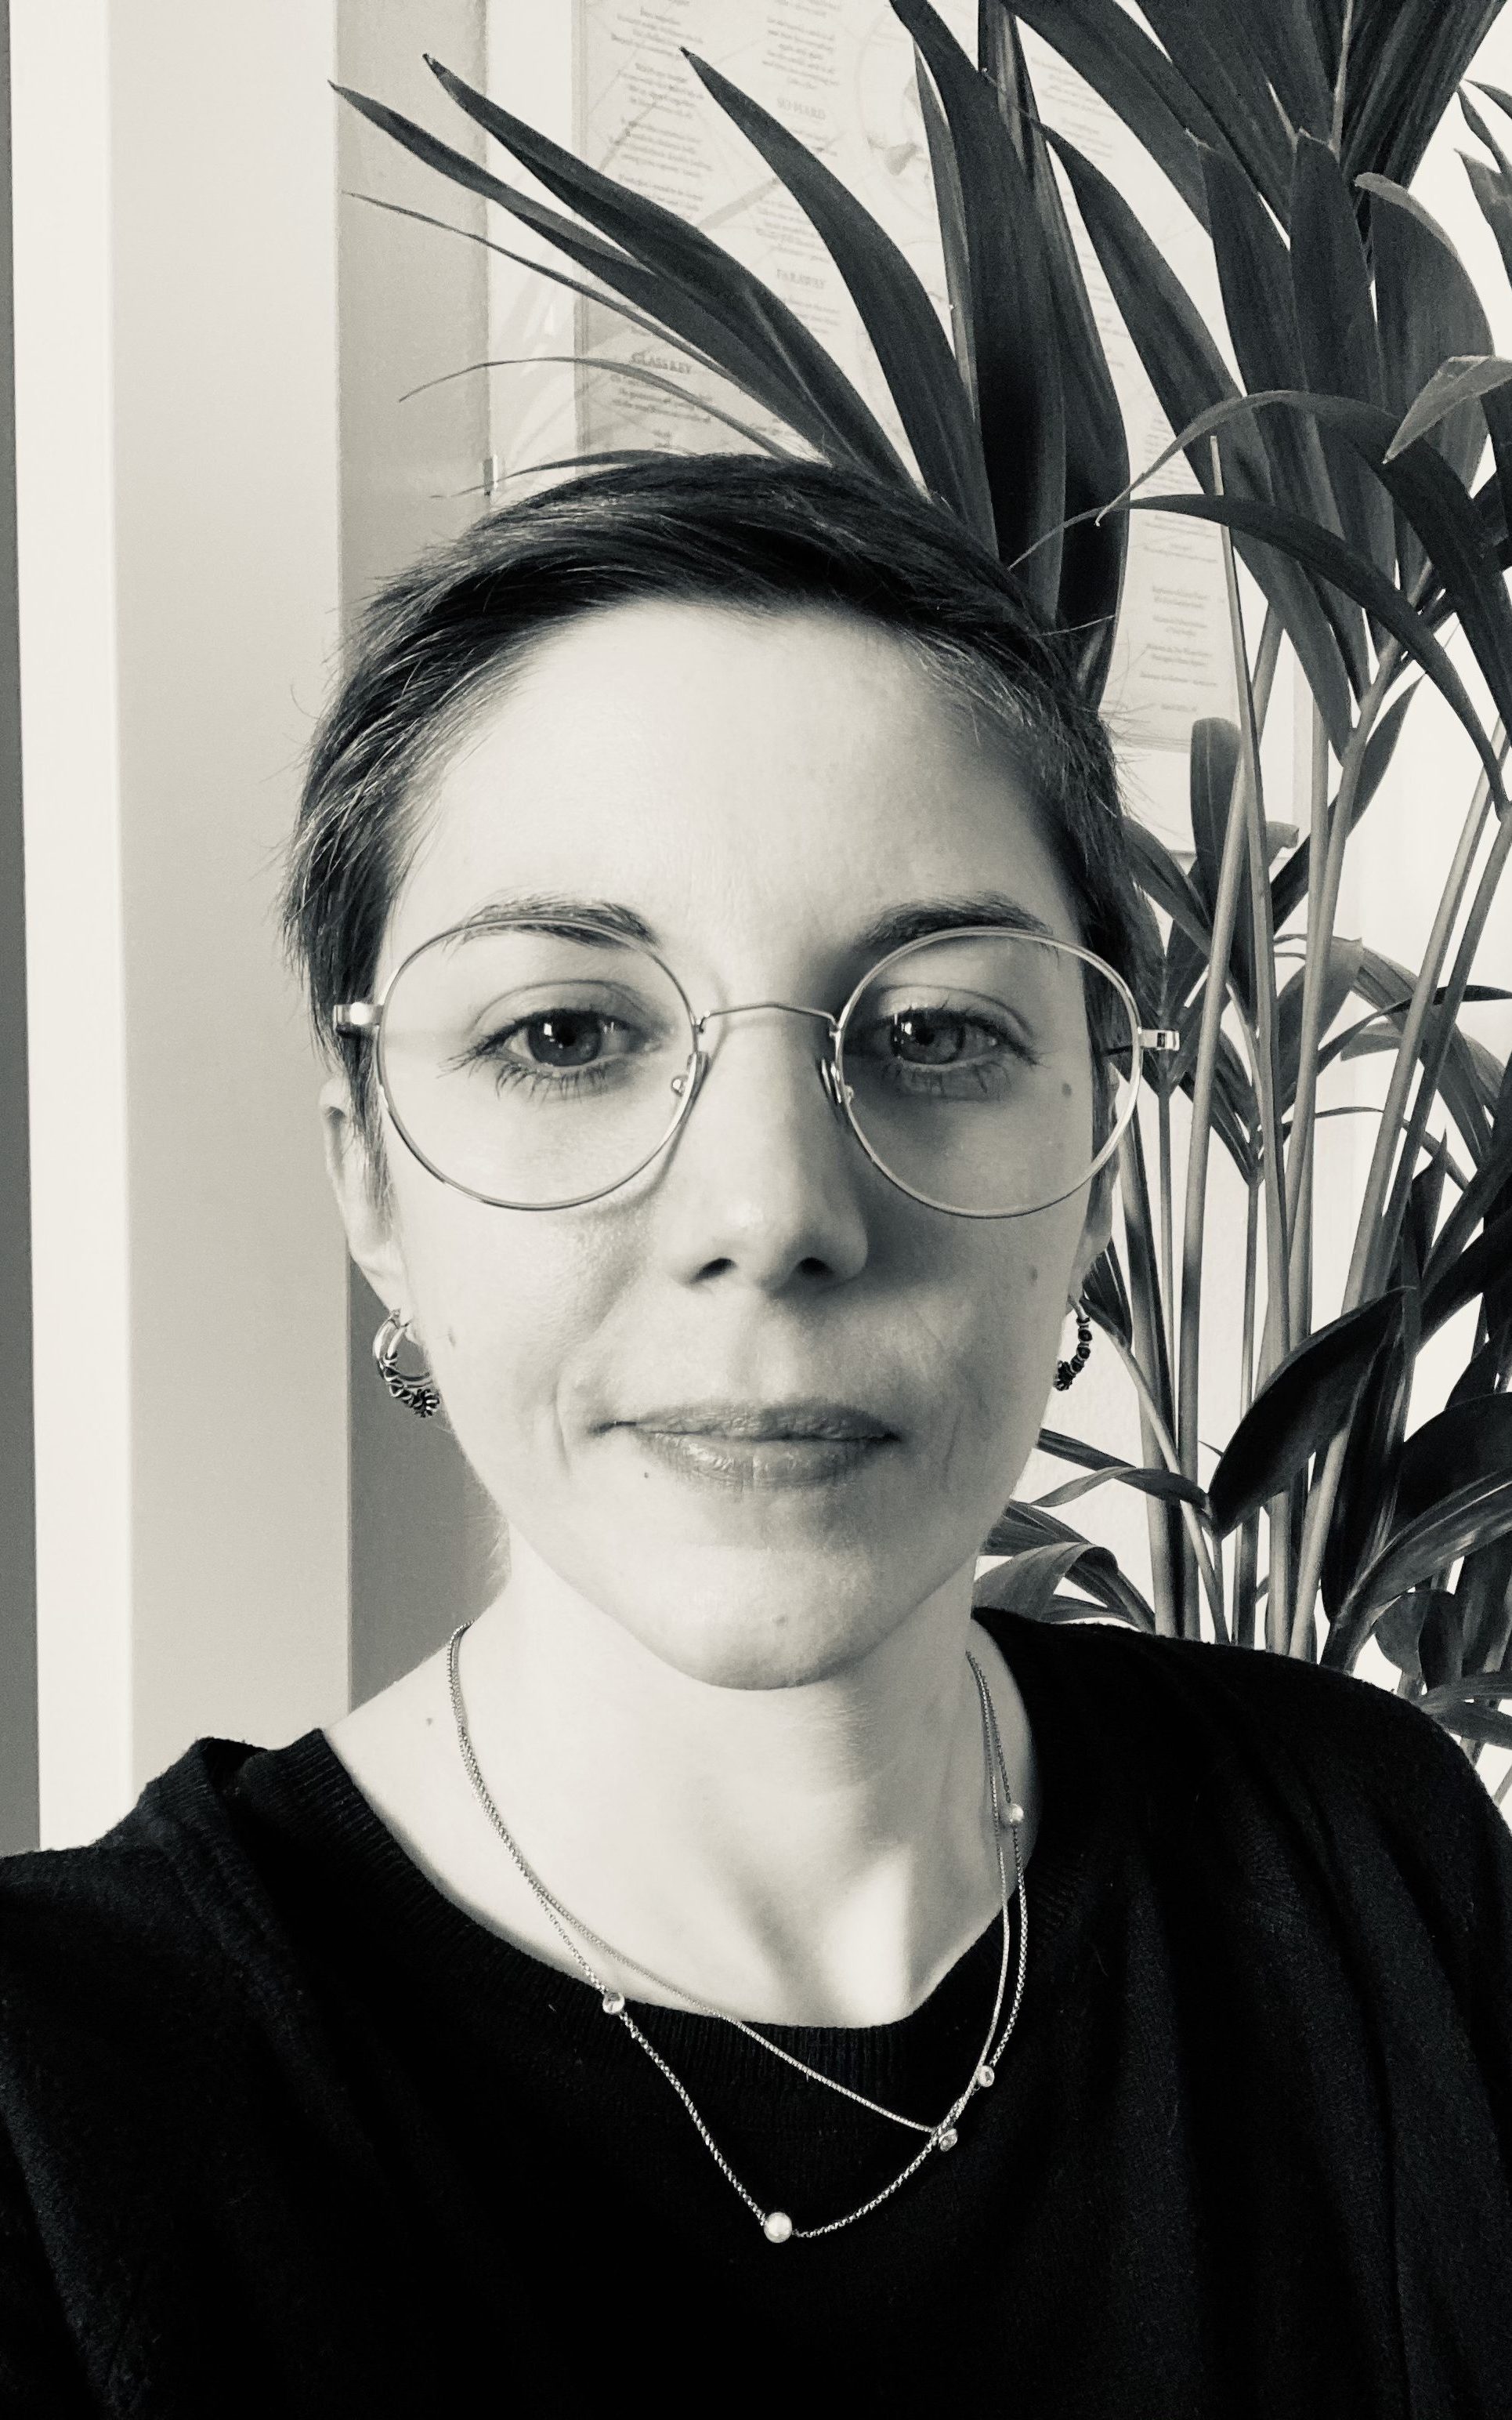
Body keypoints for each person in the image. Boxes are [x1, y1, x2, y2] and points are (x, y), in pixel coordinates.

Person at [1, 454, 1509, 2416]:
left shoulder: (1373, 1861)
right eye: (564, 1032)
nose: (773, 1206)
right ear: (369, 1173)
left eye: (936, 1029)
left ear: (1095, 1154)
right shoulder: (58, 2104)